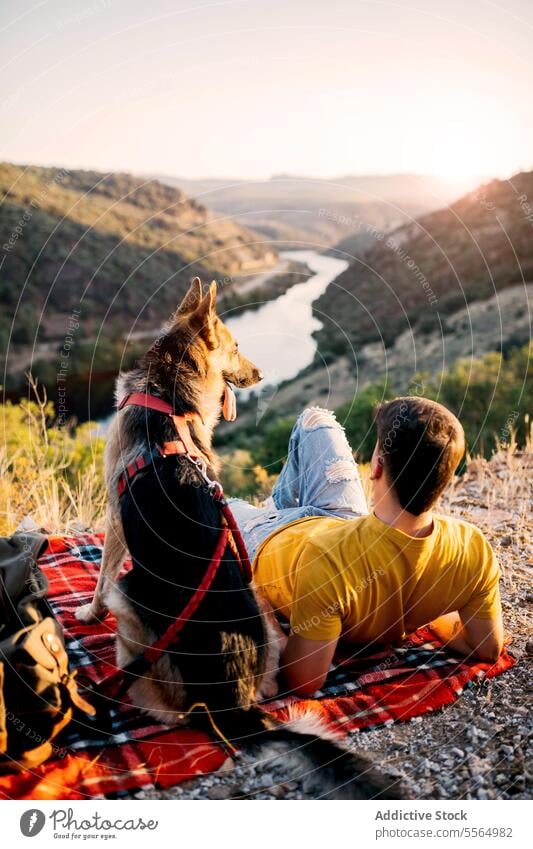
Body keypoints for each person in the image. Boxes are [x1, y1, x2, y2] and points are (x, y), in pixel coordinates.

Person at [229, 398, 504, 697]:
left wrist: (266, 619)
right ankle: (278, 504)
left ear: (376, 467)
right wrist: (429, 609)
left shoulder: (328, 562)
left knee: (211, 503)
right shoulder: (473, 547)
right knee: (316, 419)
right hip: (344, 519)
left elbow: (304, 681)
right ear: (445, 478)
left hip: (267, 536)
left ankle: (273, 509)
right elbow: (487, 647)